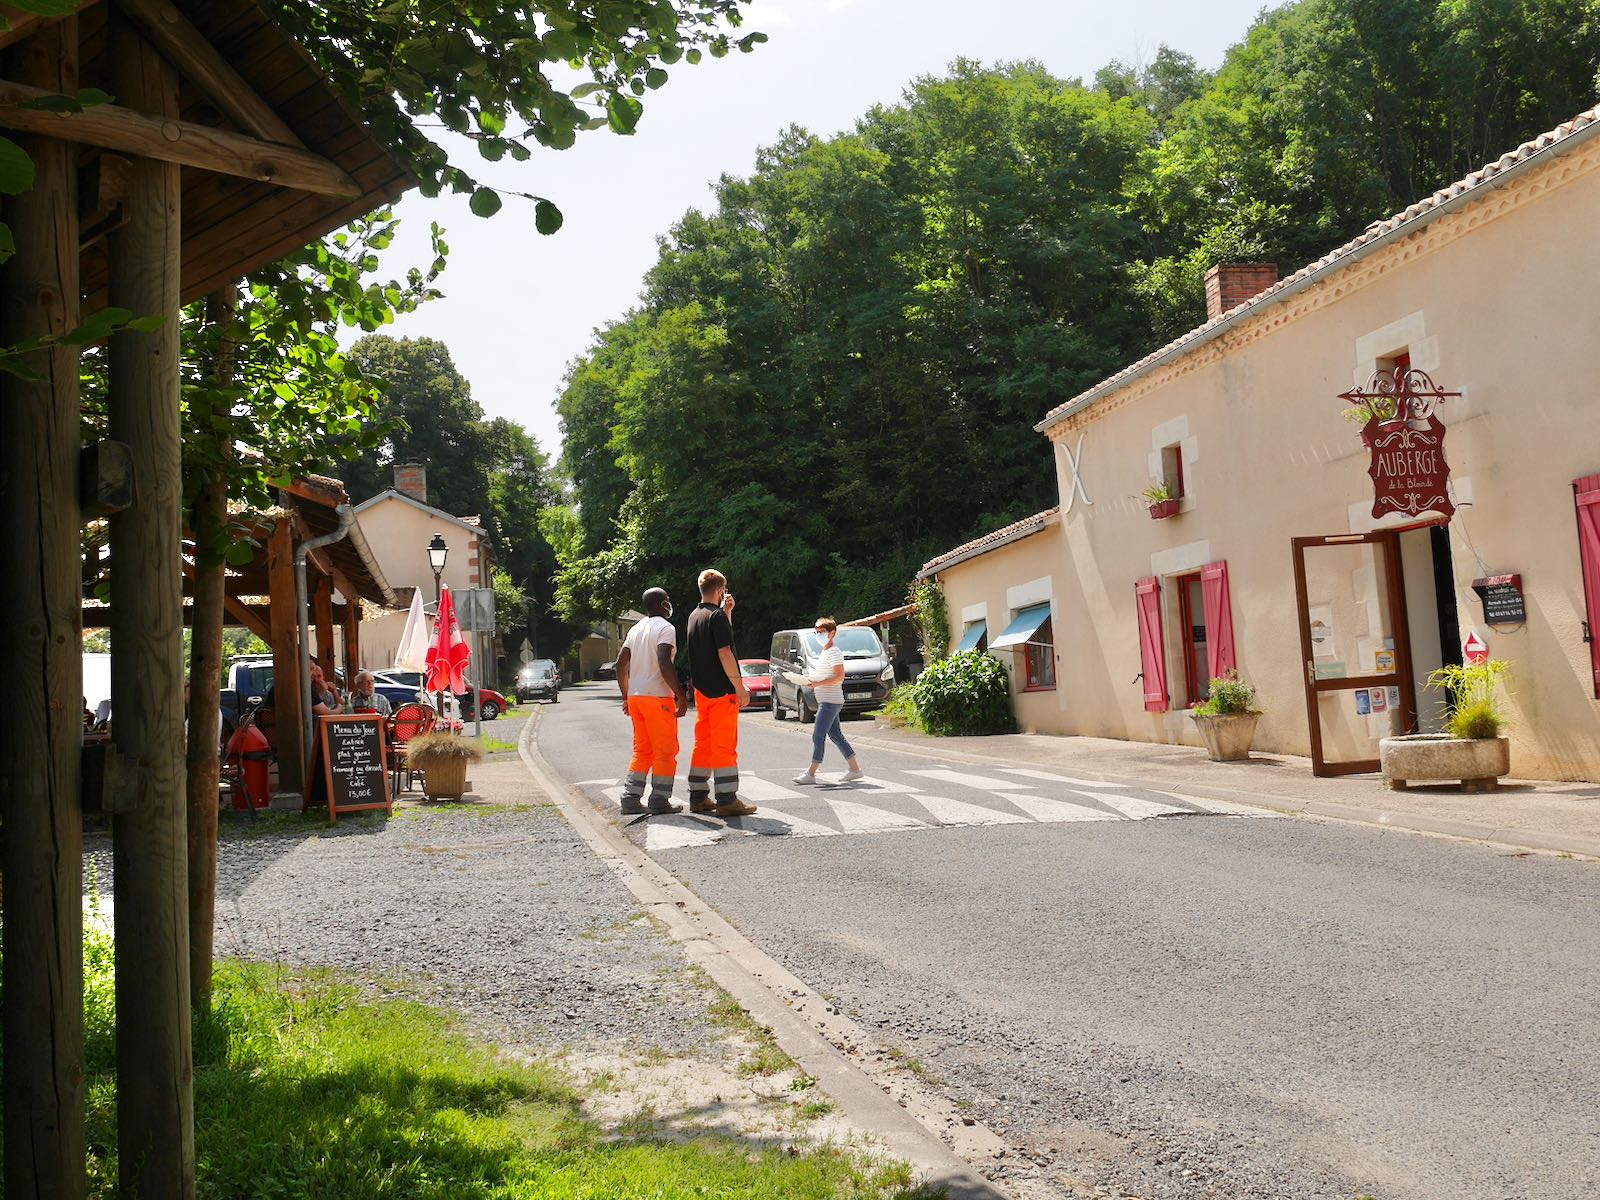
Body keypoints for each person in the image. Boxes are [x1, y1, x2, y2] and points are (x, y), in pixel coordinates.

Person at [685, 568, 756, 817]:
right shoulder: (715, 617)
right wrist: (739, 687)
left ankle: (698, 797)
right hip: (722, 692)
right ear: (719, 590)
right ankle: (726, 799)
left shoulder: (695, 616)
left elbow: (712, 642)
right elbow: (725, 653)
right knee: (725, 746)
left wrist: (727, 612)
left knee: (702, 745)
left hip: (702, 692)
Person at [615, 587, 690, 815]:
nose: (669, 604)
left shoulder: (635, 629)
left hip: (636, 697)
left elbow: (620, 664)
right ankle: (659, 799)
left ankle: (630, 798)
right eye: (667, 601)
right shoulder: (666, 628)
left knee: (642, 749)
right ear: (662, 603)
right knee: (666, 750)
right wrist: (679, 695)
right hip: (658, 697)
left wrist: (626, 695)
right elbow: (663, 661)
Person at [791, 617, 866, 785]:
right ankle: (855, 770)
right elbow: (827, 675)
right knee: (836, 735)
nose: (818, 635)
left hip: (830, 701)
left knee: (818, 735)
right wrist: (811, 680)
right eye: (816, 632)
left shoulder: (833, 651)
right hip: (828, 699)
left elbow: (839, 676)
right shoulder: (825, 651)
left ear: (832, 633)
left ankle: (811, 773)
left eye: (822, 632)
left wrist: (817, 683)